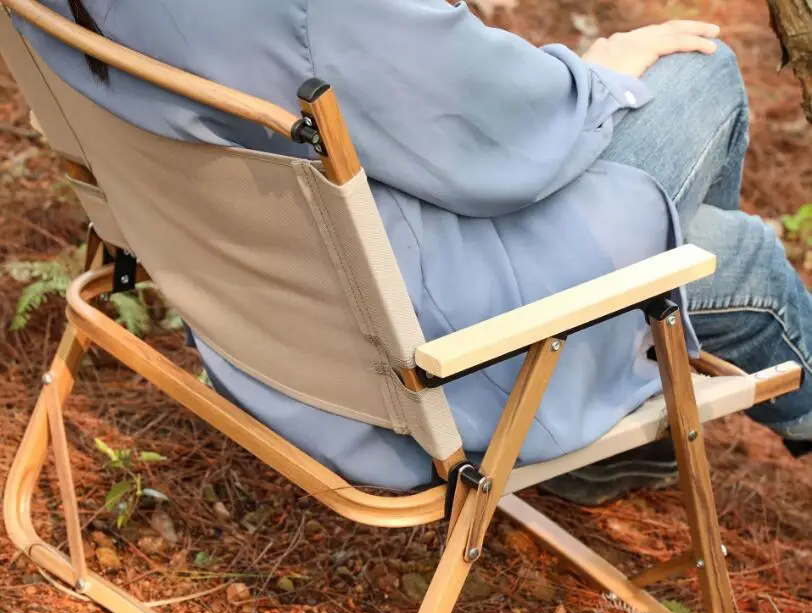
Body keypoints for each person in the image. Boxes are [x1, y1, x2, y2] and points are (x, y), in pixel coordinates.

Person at [15, 0, 812, 501]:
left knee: (713, 245)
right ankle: (635, 409)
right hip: (425, 353)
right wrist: (594, 72)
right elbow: (503, 134)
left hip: (268, 317)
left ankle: (638, 389)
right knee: (708, 106)